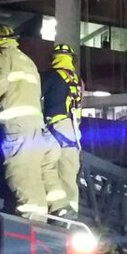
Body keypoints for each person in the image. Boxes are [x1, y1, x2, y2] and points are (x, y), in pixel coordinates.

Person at [0, 24, 50, 219]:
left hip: (17, 124)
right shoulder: (27, 61)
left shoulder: (3, 55)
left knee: (17, 169)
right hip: (35, 124)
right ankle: (38, 219)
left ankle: (28, 218)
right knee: (32, 172)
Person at [41, 43, 84, 217]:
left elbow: (38, 97)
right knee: (69, 175)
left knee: (45, 166)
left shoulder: (52, 76)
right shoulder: (78, 80)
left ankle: (58, 207)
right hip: (74, 132)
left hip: (55, 127)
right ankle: (72, 213)